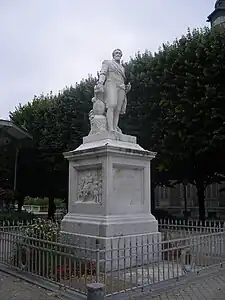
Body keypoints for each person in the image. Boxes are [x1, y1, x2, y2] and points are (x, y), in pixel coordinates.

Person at [96, 49, 131, 132]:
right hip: (111, 84)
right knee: (112, 105)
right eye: (116, 53)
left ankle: (115, 127)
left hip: (121, 87)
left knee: (118, 109)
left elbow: (121, 78)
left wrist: (126, 88)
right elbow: (103, 73)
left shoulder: (122, 68)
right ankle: (110, 127)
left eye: (119, 53)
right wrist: (100, 82)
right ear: (113, 55)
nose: (118, 54)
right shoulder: (107, 62)